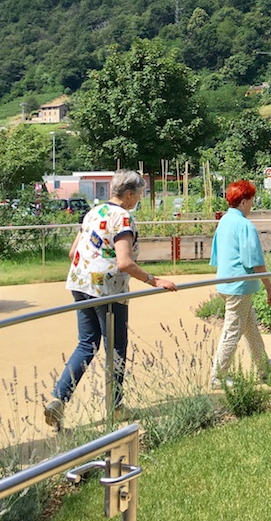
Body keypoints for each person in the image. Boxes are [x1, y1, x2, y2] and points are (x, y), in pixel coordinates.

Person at [45, 170, 176, 432]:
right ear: (129, 194)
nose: (139, 198)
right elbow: (125, 262)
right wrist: (155, 280)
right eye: (139, 194)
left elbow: (74, 251)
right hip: (108, 291)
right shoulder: (123, 217)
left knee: (87, 344)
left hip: (80, 284)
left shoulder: (93, 212)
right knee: (115, 348)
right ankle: (114, 405)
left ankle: (59, 397)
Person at [210, 180, 271, 385]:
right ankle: (218, 375)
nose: (252, 205)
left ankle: (264, 366)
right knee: (232, 331)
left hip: (225, 282)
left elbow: (215, 253)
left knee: (250, 327)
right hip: (239, 286)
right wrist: (269, 287)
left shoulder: (224, 221)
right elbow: (255, 260)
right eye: (251, 201)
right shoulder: (245, 225)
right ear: (243, 202)